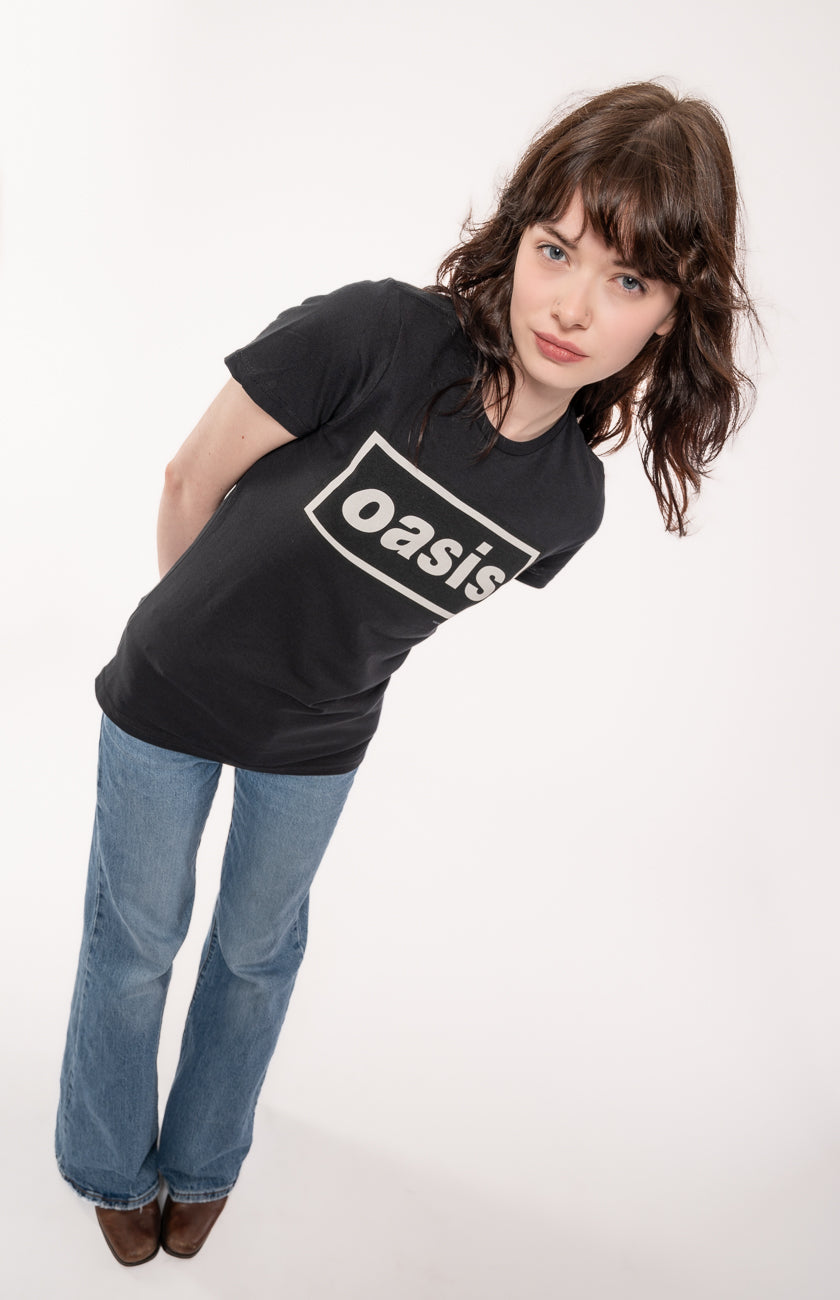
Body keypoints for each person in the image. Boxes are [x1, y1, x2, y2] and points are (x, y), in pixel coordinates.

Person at [55, 81, 758, 1266]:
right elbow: (190, 479)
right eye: (557, 250)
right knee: (133, 942)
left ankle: (206, 1159)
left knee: (257, 954)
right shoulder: (377, 334)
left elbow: (381, 612)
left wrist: (290, 691)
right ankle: (109, 1163)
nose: (572, 305)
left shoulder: (564, 505)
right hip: (168, 693)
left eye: (627, 281)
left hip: (320, 742)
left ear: (669, 315)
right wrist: (202, 649)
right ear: (516, 237)